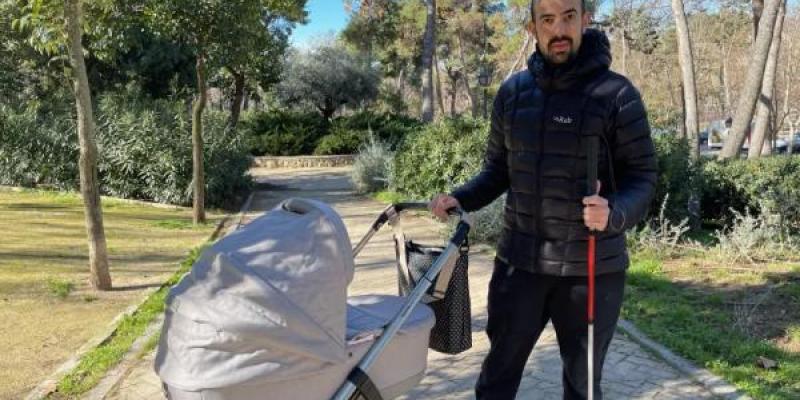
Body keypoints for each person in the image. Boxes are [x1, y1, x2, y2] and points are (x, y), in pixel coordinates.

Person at [429, 0, 658, 398]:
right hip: (519, 266)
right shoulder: (512, 93)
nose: (559, 30)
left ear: (585, 20)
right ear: (532, 28)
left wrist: (615, 213)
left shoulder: (617, 94)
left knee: (583, 386)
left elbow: (643, 176)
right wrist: (460, 197)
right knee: (496, 378)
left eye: (569, 17)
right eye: (547, 20)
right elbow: (498, 170)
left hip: (591, 270)